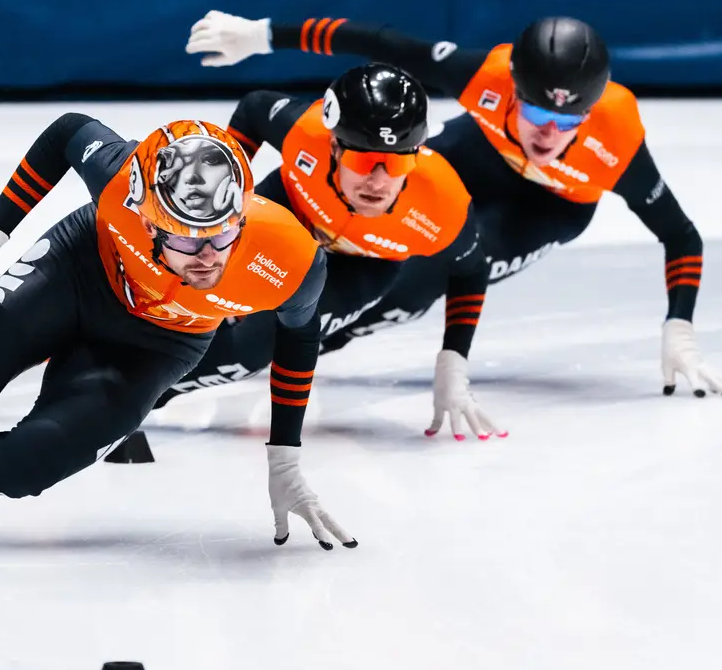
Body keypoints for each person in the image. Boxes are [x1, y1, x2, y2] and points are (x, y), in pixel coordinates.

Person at [185, 12, 722, 398]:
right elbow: (380, 43)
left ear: (589, 117)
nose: (547, 135)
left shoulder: (617, 145)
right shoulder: (485, 77)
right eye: (536, 113)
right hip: (478, 154)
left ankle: (309, 341)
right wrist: (262, 34)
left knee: (415, 281)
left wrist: (678, 325)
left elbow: (681, 234)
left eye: (567, 122)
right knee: (386, 208)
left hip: (550, 208)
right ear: (512, 88)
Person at [0, 115, 356, 550]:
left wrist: (284, 458)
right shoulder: (119, 178)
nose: (209, 255)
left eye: (223, 234)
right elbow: (67, 132)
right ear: (148, 218)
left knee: (23, 470)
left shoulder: (291, 259)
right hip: (77, 272)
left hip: (155, 345)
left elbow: (298, 340)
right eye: (185, 238)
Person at [151, 62, 505, 441]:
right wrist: (222, 197)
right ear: (334, 146)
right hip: (289, 214)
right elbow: (254, 109)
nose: (378, 181)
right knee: (186, 286)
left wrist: (453, 361)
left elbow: (471, 270)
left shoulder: (442, 205)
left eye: (398, 161)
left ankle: (145, 394)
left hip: (361, 266)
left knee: (253, 347)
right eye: (363, 161)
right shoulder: (305, 131)